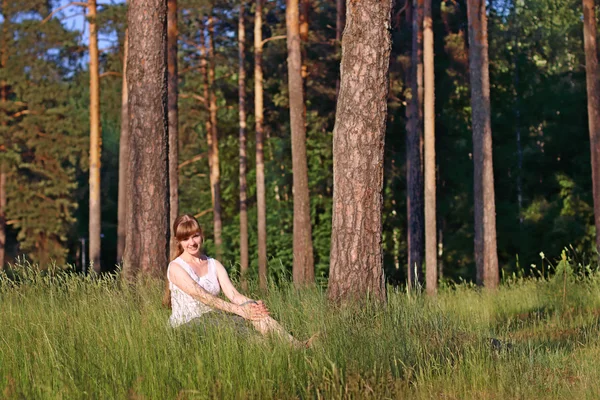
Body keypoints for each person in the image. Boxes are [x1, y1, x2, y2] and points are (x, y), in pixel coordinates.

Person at [164, 214, 310, 347]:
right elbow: (203, 297)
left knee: (255, 312)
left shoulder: (214, 264)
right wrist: (241, 311)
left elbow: (234, 295)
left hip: (213, 317)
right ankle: (275, 349)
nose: (192, 242)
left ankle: (296, 345)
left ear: (201, 235)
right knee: (245, 333)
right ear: (179, 241)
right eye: (185, 239)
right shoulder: (176, 267)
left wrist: (253, 305)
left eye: (195, 236)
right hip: (188, 324)